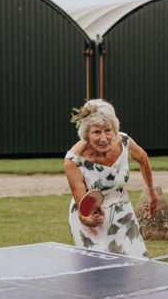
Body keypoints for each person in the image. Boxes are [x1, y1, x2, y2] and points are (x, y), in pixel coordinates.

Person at [64, 99, 158, 257]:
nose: (103, 138)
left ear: (114, 129)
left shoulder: (124, 142)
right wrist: (88, 219)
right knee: (101, 272)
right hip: (94, 217)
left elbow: (143, 158)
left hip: (123, 211)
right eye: (96, 132)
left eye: (108, 130)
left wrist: (151, 191)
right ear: (86, 133)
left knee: (136, 262)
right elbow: (83, 209)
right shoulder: (73, 161)